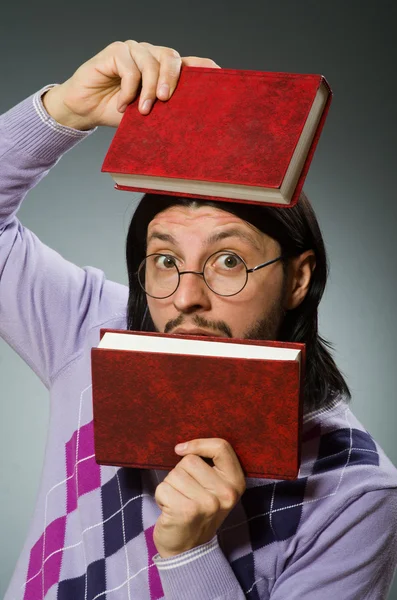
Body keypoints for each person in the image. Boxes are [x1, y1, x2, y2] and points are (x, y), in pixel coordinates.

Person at [1, 39, 397, 600]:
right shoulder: (91, 332)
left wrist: (190, 555)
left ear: (299, 279)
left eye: (228, 261)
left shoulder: (355, 490)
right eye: (165, 261)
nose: (187, 297)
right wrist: (63, 111)